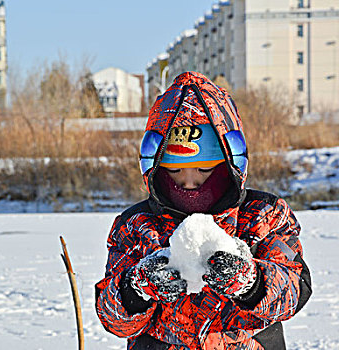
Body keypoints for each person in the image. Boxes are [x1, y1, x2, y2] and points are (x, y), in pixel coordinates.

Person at [95, 71, 312, 349]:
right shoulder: (137, 226)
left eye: (204, 170)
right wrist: (137, 288)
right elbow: (113, 320)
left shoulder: (263, 216)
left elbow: (293, 292)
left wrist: (252, 283)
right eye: (174, 172)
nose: (189, 183)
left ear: (230, 164)